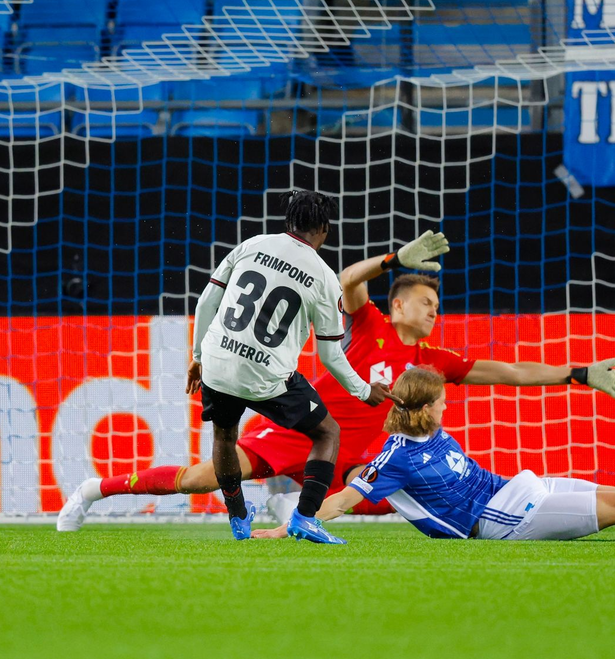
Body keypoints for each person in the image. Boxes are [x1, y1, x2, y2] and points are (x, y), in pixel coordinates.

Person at [57, 231, 615, 531]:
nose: (434, 310)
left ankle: (293, 513)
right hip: (305, 431)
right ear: (402, 304)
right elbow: (341, 279)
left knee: (395, 498)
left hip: (363, 457)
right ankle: (93, 491)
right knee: (202, 478)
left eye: (436, 304)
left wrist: (578, 374)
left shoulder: (435, 361)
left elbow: (508, 372)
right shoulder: (366, 322)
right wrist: (391, 259)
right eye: (427, 301)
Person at [61, 190, 396, 544]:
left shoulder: (252, 245)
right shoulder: (324, 277)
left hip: (219, 364)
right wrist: (363, 390)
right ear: (325, 230)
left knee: (223, 435)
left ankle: (237, 514)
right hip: (268, 378)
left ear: (288, 222)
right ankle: (304, 518)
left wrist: (198, 356)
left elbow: (207, 301)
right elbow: (329, 354)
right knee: (327, 432)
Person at [253, 367, 615, 544]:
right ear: (424, 405)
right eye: (442, 398)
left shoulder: (428, 435)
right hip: (499, 521)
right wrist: (291, 526)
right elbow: (344, 497)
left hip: (512, 488)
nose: (448, 403)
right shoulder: (391, 455)